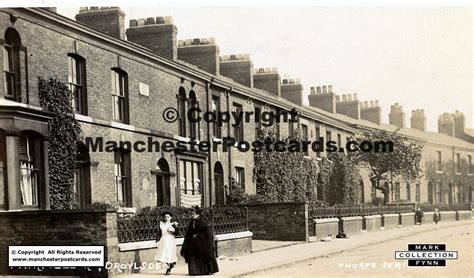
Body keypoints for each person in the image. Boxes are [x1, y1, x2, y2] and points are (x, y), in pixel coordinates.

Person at [180, 206, 219, 276]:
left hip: (201, 243)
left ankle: (204, 271)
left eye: (193, 213)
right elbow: (189, 231)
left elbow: (206, 234)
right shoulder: (192, 221)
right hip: (193, 243)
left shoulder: (202, 221)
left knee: (202, 255)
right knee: (193, 256)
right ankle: (194, 271)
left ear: (197, 214)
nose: (192, 214)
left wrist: (198, 236)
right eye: (191, 213)